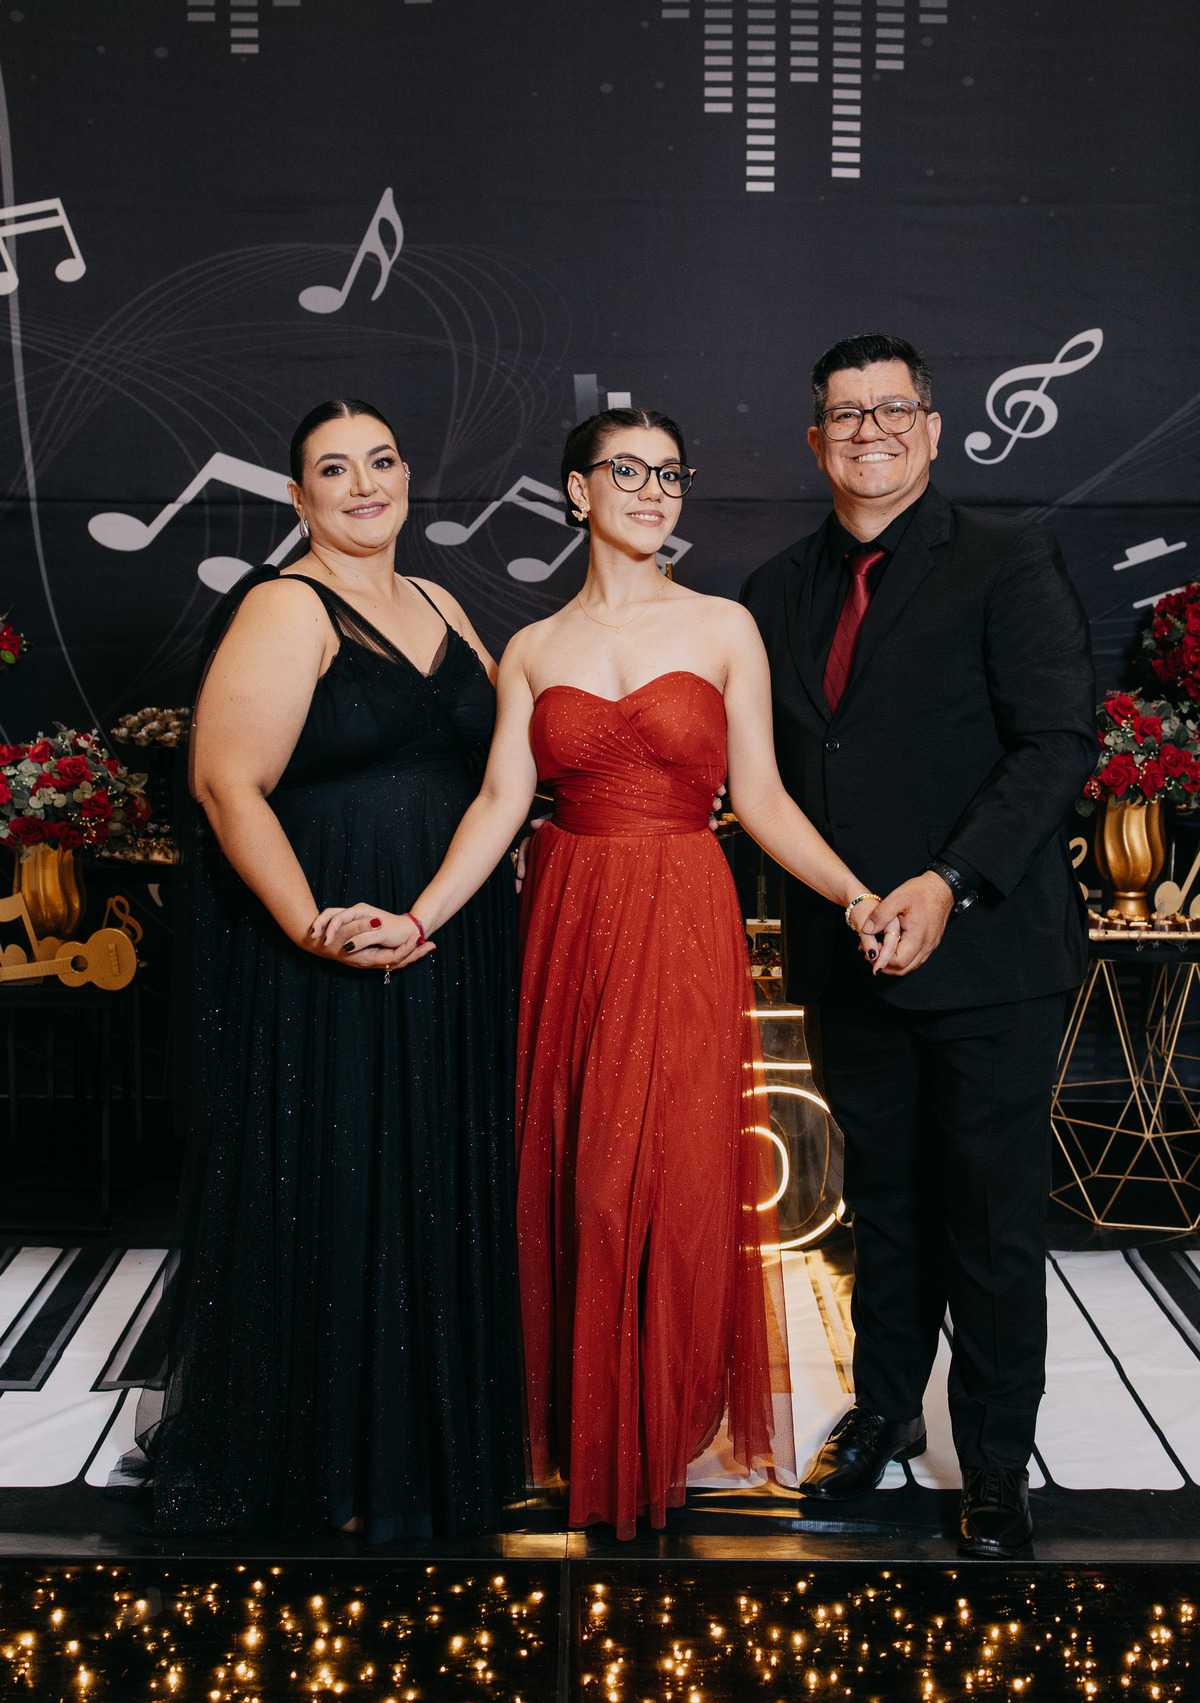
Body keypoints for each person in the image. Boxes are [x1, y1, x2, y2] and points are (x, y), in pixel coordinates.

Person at [314, 407, 899, 1540]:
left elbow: (761, 800)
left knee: (676, 1173)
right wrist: (419, 916)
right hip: (571, 910)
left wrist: (856, 895)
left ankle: (663, 1427)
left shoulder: (724, 626)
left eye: (670, 475)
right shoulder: (533, 647)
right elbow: (501, 802)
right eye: (627, 471)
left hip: (683, 905)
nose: (652, 492)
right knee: (581, 1176)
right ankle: (588, 1426)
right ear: (578, 492)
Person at [739, 334, 1096, 1557]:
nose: (871, 431)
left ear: (935, 430)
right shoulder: (773, 590)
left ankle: (993, 1461)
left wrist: (949, 881)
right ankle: (885, 1409)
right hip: (851, 954)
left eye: (893, 410)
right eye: (846, 414)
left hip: (989, 953)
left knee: (989, 1218)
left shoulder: (1007, 558)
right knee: (882, 1207)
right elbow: (780, 773)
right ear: (815, 441)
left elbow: (1055, 741)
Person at [149, 399, 524, 1543]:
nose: (366, 485)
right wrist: (314, 924)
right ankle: (330, 1461)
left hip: (445, 937)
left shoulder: (444, 603)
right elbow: (226, 787)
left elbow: (501, 774)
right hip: (333, 942)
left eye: (383, 460)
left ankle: (424, 1450)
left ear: (408, 475)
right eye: (335, 469)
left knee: (431, 1173)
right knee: (343, 1179)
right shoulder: (286, 605)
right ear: (299, 496)